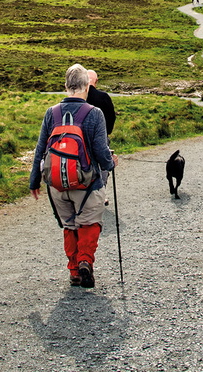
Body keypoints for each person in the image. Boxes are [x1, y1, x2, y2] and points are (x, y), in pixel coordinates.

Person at [30, 64, 118, 288]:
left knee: (70, 226)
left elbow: (40, 149)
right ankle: (85, 261)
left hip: (57, 183)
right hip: (88, 183)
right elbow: (100, 150)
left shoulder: (51, 113)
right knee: (90, 223)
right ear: (86, 87)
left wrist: (34, 181)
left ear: (65, 87)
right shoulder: (94, 113)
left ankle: (73, 272)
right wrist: (111, 163)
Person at [85, 68, 117, 136]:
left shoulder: (80, 96)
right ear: (96, 81)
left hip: (82, 137)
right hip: (101, 135)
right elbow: (111, 117)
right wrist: (107, 132)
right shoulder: (104, 97)